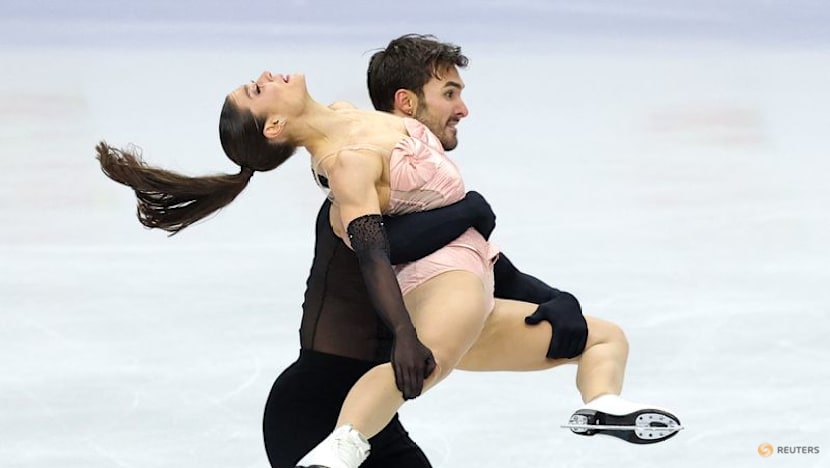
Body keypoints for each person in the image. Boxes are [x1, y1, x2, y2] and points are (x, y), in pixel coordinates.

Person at [95, 48, 680, 468]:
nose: (461, 109)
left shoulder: (372, 130)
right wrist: (468, 218)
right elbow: (389, 251)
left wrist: (545, 294)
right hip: (320, 412)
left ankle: (602, 401)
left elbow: (465, 251)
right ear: (275, 124)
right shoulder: (350, 178)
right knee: (424, 357)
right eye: (448, 95)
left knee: (602, 336)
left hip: (391, 391)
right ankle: (342, 447)